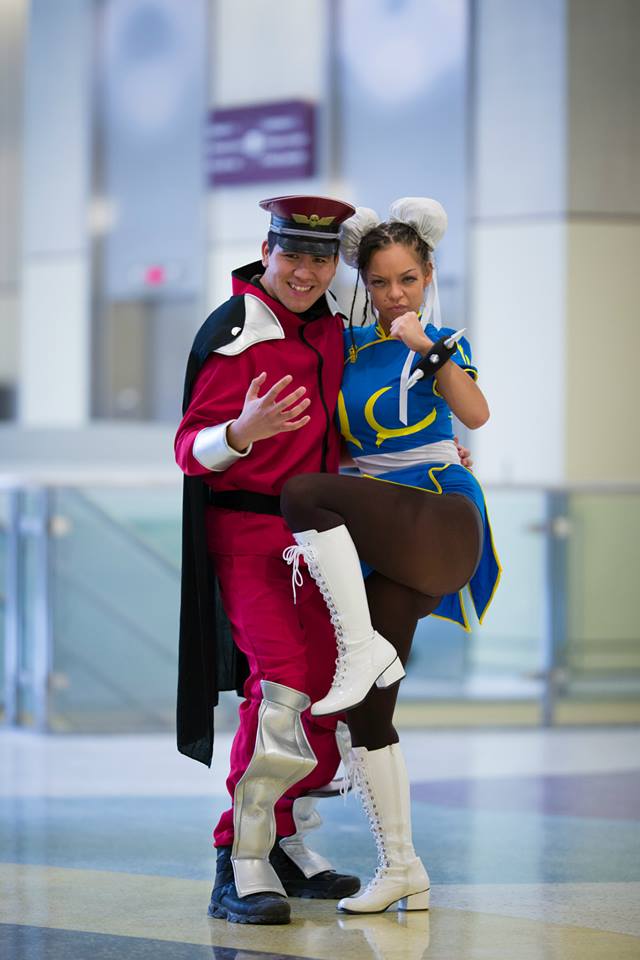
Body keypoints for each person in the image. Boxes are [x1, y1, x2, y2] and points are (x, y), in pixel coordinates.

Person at [280, 197, 501, 915]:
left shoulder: (442, 341)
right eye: (379, 282)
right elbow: (340, 439)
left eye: (407, 279)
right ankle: (401, 867)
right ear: (363, 283)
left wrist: (424, 346)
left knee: (302, 495)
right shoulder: (346, 348)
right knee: (369, 714)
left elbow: (475, 413)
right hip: (382, 523)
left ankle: (358, 649)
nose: (394, 294)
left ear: (428, 274)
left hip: (439, 512)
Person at [175, 195, 368, 925]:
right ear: (267, 251)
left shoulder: (332, 330)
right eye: (293, 255)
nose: (306, 272)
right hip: (250, 536)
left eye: (322, 258)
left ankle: (284, 839)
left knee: (323, 686)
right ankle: (241, 857)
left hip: (320, 540)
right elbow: (187, 450)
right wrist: (242, 430)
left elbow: (353, 426)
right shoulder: (237, 330)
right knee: (282, 686)